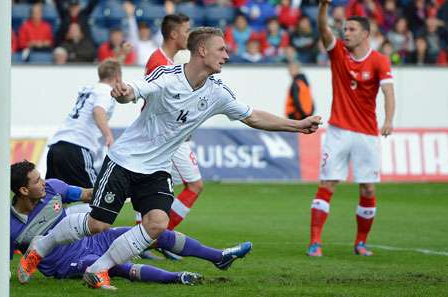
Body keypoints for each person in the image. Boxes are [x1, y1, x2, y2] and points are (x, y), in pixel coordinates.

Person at [19, 26, 322, 290]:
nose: (227, 55)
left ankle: (98, 270)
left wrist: (297, 125)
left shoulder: (217, 92)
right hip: (124, 160)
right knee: (98, 224)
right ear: (202, 51)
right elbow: (137, 89)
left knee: (157, 224)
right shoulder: (168, 76)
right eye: (222, 49)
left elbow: (253, 116)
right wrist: (124, 92)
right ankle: (41, 247)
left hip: (157, 168)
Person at [10, 160, 250, 286]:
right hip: (68, 264)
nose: (43, 182)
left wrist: (120, 191)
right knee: (108, 266)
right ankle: (177, 278)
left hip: (93, 238)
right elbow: (4, 267)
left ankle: (219, 257)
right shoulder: (10, 228)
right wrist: (24, 272)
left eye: (41, 177)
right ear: (23, 190)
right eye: (36, 181)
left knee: (153, 232)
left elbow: (87, 194)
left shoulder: (53, 188)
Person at [307, 0, 395, 257]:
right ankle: (315, 242)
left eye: (352, 29)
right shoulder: (338, 55)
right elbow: (324, 31)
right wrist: (323, 7)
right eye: (344, 29)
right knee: (328, 183)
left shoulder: (379, 60)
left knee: (367, 188)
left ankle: (360, 243)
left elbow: (389, 92)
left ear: (366, 34)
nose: (346, 33)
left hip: (367, 134)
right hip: (339, 131)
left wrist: (389, 120)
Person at [140, 13, 204, 234]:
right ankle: (157, 237)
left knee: (154, 186)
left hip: (168, 133)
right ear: (174, 34)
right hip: (165, 135)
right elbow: (155, 100)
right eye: (187, 30)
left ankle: (147, 236)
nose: (190, 34)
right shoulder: (159, 62)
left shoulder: (171, 61)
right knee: (194, 186)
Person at [45, 59, 118, 188]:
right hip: (77, 147)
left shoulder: (91, 88)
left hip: (56, 147)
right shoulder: (106, 91)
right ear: (117, 77)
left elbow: (111, 69)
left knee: (53, 197)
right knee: (95, 196)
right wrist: (109, 136)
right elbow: (98, 111)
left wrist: (121, 55)